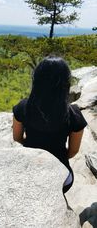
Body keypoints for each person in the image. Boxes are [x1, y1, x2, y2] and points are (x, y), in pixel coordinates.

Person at [12, 56, 87, 193]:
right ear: (66, 83)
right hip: (62, 177)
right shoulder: (73, 114)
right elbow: (73, 151)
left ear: (37, 80)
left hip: (28, 170)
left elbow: (17, 138)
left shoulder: (23, 107)